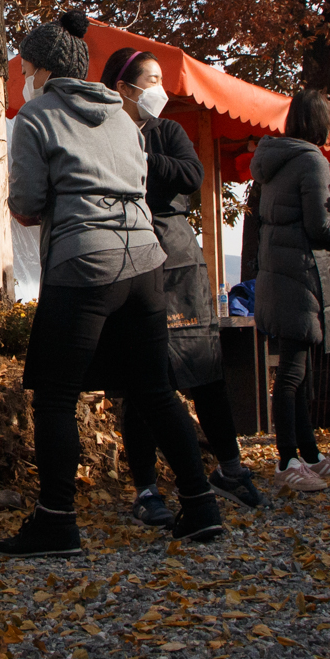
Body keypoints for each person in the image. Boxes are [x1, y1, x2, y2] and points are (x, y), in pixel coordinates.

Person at [1, 12, 224, 555]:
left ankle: (56, 522)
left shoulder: (36, 116)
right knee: (154, 387)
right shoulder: (125, 118)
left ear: (43, 70)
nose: (25, 77)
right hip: (147, 261)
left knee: (54, 395)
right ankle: (200, 506)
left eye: (27, 68)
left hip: (83, 261)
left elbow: (28, 205)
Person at [102, 47, 260, 523]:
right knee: (140, 380)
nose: (158, 89)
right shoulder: (104, 134)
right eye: (148, 80)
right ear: (121, 89)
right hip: (127, 255)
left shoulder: (167, 131)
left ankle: (229, 469)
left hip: (178, 255)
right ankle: (146, 489)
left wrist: (143, 155)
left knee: (203, 366)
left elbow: (191, 176)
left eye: (159, 79)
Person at [253, 91, 330, 495]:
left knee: (296, 371)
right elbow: (321, 227)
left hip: (278, 273)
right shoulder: (312, 160)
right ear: (323, 125)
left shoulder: (273, 160)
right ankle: (287, 459)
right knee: (293, 373)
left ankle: (309, 454)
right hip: (301, 274)